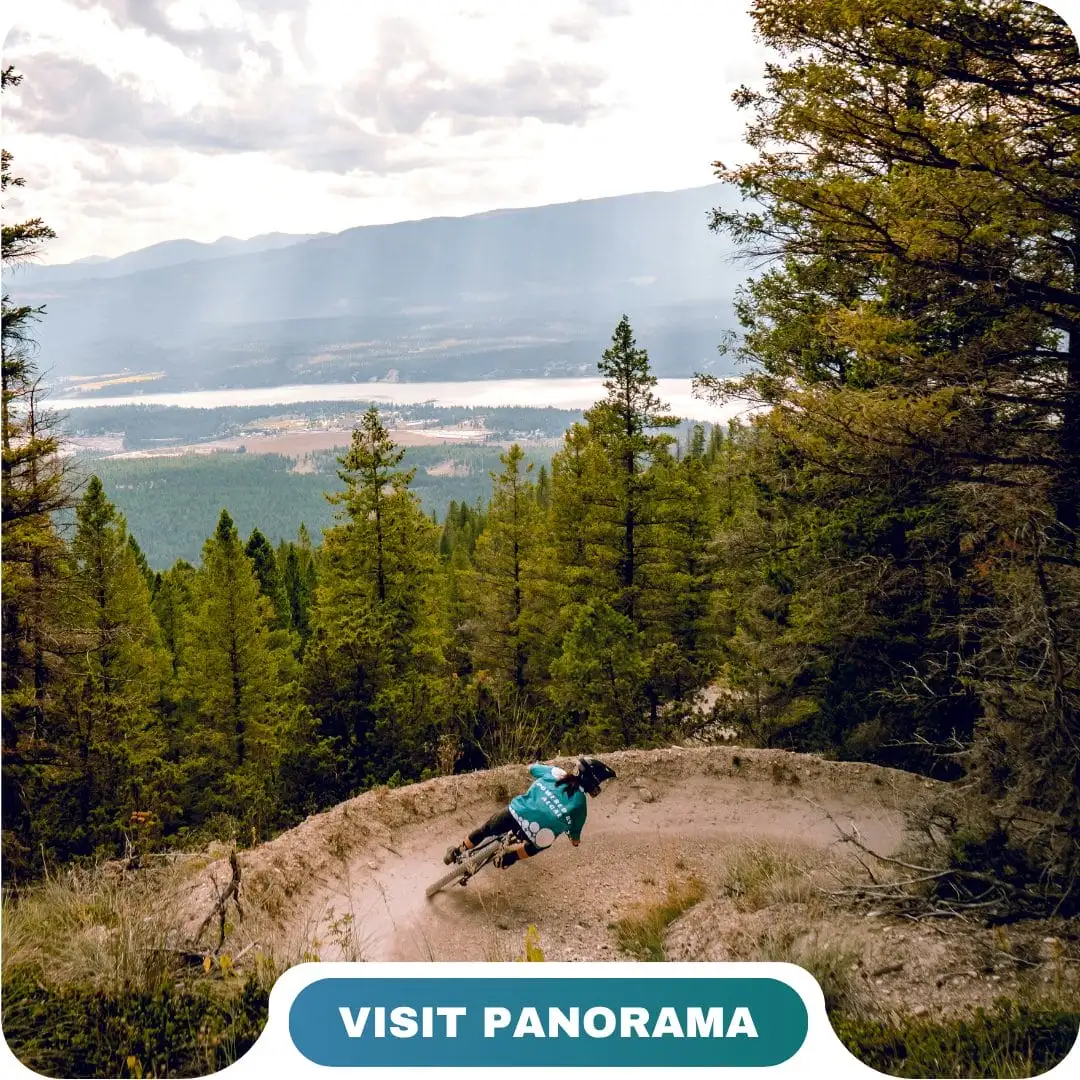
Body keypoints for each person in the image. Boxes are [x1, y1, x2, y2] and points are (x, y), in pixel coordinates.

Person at [444, 757, 617, 870]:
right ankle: (509, 858)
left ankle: (457, 851)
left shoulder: (558, 774)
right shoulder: (581, 806)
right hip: (536, 833)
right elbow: (575, 838)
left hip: (517, 812)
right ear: (593, 785)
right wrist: (574, 839)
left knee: (485, 830)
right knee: (543, 842)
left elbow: (532, 768)